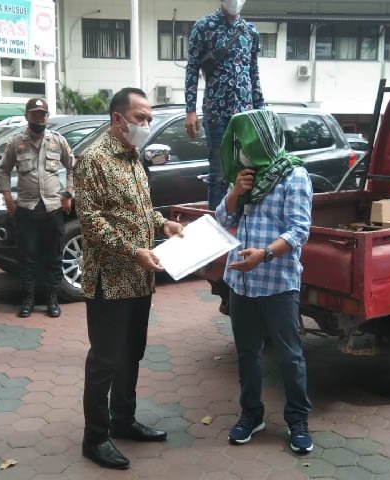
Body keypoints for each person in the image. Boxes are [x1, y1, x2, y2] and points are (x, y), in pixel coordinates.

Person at [75, 87, 184, 470]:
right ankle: (95, 437)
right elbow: (92, 222)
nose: (147, 125)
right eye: (141, 118)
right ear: (118, 119)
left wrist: (164, 224)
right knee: (105, 359)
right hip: (111, 278)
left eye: (149, 118)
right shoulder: (93, 160)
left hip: (140, 278)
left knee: (132, 353)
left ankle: (123, 420)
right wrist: (133, 251)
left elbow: (140, 210)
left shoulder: (132, 157)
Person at [215, 109, 314, 453]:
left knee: (289, 356)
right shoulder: (245, 177)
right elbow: (222, 218)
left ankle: (298, 420)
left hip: (277, 283)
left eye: (250, 141)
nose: (243, 148)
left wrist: (265, 254)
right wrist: (234, 192)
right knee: (247, 354)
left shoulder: (294, 176)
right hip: (241, 284)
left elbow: (299, 230)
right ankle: (251, 415)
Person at [0, 98, 74, 318]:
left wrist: (68, 193)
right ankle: (28, 300)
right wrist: (8, 198)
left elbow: (72, 167)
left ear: (47, 117)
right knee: (27, 257)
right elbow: (3, 171)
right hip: (26, 209)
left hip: (52, 208)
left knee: (54, 256)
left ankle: (52, 299)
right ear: (26, 116)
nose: (39, 118)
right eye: (35, 114)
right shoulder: (16, 142)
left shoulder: (57, 141)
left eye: (43, 114)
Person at [185, 0, 265, 210]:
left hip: (246, 114)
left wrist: (261, 111)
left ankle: (241, 221)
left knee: (247, 172)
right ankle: (217, 228)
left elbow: (254, 74)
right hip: (217, 112)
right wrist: (190, 110)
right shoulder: (203, 26)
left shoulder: (250, 31)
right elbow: (192, 69)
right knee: (219, 174)